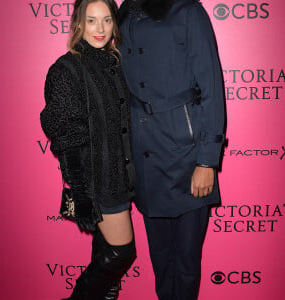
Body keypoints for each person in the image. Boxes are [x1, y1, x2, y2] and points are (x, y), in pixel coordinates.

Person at [118, 0, 225, 299]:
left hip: (186, 153)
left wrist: (207, 161)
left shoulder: (187, 10)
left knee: (187, 262)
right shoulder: (124, 10)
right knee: (161, 260)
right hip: (144, 155)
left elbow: (212, 87)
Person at [40, 0, 136, 299]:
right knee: (121, 253)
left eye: (107, 20)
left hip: (120, 175)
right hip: (99, 179)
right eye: (92, 20)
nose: (100, 29)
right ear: (78, 23)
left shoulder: (113, 62)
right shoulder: (67, 68)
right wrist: (81, 193)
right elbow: (66, 137)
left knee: (106, 260)